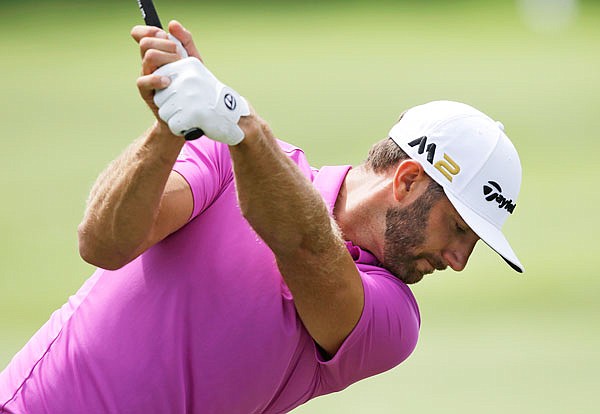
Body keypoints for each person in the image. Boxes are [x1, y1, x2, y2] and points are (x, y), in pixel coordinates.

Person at [0, 21, 523, 413]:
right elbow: (103, 245)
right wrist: (174, 123)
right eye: (459, 229)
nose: (458, 261)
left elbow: (306, 247)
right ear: (408, 181)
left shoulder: (393, 321)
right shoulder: (223, 161)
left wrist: (236, 122)